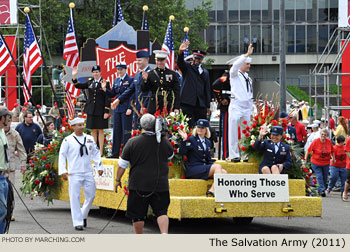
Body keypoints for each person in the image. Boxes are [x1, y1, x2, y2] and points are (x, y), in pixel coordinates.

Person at [114, 114, 173, 234]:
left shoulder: (132, 142)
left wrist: (117, 180)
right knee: (162, 212)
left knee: (138, 215)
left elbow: (122, 165)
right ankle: (165, 235)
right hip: (160, 184)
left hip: (138, 185)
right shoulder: (163, 142)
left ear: (140, 125)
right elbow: (170, 156)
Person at [58, 117, 104, 231]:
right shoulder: (68, 140)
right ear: (73, 127)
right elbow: (62, 155)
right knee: (75, 197)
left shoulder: (89, 138)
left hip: (88, 171)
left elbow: (95, 152)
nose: (82, 127)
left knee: (91, 195)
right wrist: (63, 170)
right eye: (79, 125)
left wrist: (99, 166)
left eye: (82, 125)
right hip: (74, 172)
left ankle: (83, 215)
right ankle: (78, 222)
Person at [178, 119, 227, 196]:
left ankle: (220, 193)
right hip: (193, 168)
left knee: (224, 172)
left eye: (202, 128)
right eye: (199, 127)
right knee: (218, 167)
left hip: (203, 168)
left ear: (206, 130)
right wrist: (184, 140)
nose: (200, 129)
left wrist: (211, 166)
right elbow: (182, 152)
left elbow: (208, 159)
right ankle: (212, 190)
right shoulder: (191, 139)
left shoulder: (207, 141)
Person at [72, 65, 111, 156]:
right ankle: (94, 150)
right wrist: (74, 77)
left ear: (100, 72)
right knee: (93, 130)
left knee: (101, 130)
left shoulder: (105, 82)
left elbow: (108, 97)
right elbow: (78, 86)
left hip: (101, 110)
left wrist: (106, 111)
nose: (95, 74)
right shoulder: (90, 82)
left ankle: (101, 151)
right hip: (91, 109)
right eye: (94, 72)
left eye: (97, 72)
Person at [227, 44, 254, 162]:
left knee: (246, 131)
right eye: (247, 63)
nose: (249, 66)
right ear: (241, 63)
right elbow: (234, 66)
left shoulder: (248, 77)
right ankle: (234, 155)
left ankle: (245, 154)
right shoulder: (234, 74)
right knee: (233, 130)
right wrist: (246, 55)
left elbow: (249, 94)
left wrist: (252, 110)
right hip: (236, 105)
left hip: (246, 107)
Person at [111, 51, 151, 129]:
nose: (137, 62)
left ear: (146, 60)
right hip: (137, 109)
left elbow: (151, 92)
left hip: (147, 108)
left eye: (139, 60)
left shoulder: (152, 73)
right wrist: (118, 100)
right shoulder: (137, 75)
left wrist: (145, 106)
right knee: (137, 132)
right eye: (136, 60)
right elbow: (130, 90)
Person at [102, 62, 134, 158]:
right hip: (117, 109)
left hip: (126, 108)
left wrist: (130, 107)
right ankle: (115, 153)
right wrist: (105, 89)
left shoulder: (130, 80)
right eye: (118, 69)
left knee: (126, 131)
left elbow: (132, 95)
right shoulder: (116, 80)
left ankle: (126, 154)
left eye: (121, 69)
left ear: (125, 69)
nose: (119, 71)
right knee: (116, 131)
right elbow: (113, 94)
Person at [177, 41, 211, 128]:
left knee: (200, 126)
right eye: (195, 58)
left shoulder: (205, 72)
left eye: (199, 58)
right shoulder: (187, 67)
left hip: (200, 104)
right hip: (187, 103)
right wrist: (180, 52)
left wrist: (207, 105)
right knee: (188, 126)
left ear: (202, 59)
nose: (196, 60)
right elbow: (180, 63)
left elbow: (207, 89)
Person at [141, 50, 180, 114]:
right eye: (157, 60)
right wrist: (145, 80)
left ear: (165, 60)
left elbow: (177, 91)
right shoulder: (151, 74)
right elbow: (144, 90)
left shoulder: (172, 74)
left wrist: (176, 107)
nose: (159, 62)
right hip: (154, 105)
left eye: (161, 60)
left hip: (168, 104)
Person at [305, 128, 335, 197]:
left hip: (325, 163)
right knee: (319, 176)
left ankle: (320, 189)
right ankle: (322, 190)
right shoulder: (316, 141)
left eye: (325, 135)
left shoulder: (328, 142)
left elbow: (332, 151)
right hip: (316, 163)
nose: (323, 136)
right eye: (322, 134)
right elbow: (308, 150)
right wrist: (306, 159)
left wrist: (333, 158)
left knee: (324, 177)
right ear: (320, 134)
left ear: (327, 135)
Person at [212, 70, 230, 159]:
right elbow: (215, 86)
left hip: (238, 107)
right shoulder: (227, 77)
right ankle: (226, 155)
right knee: (226, 131)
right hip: (227, 107)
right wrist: (221, 99)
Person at [0, 106, 12, 233]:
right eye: (7, 117)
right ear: (2, 118)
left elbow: (5, 151)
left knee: (5, 211)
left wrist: (6, 168)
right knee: (2, 211)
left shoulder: (2, 131)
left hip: (3, 176)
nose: (9, 120)